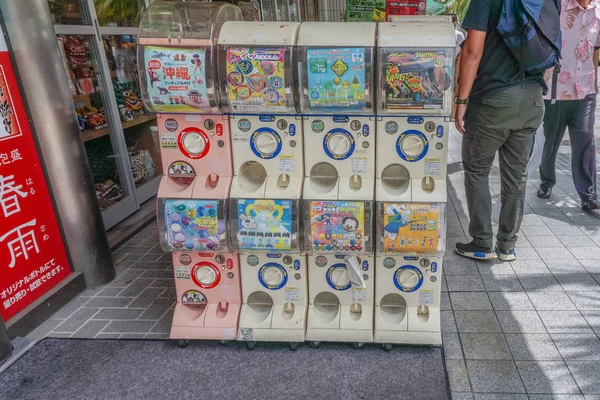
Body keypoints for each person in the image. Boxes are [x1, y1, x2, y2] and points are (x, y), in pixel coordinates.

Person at [454, 0, 553, 261]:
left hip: (493, 100)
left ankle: (481, 242)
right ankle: (507, 246)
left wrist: (461, 101)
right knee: (517, 175)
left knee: (476, 169)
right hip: (532, 98)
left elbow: (472, 51)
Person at [537, 0, 600, 211]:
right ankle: (546, 181)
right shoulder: (558, 6)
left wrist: (595, 81)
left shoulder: (599, 11)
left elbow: (595, 49)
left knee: (585, 141)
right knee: (551, 140)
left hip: (585, 89)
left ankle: (588, 195)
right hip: (556, 88)